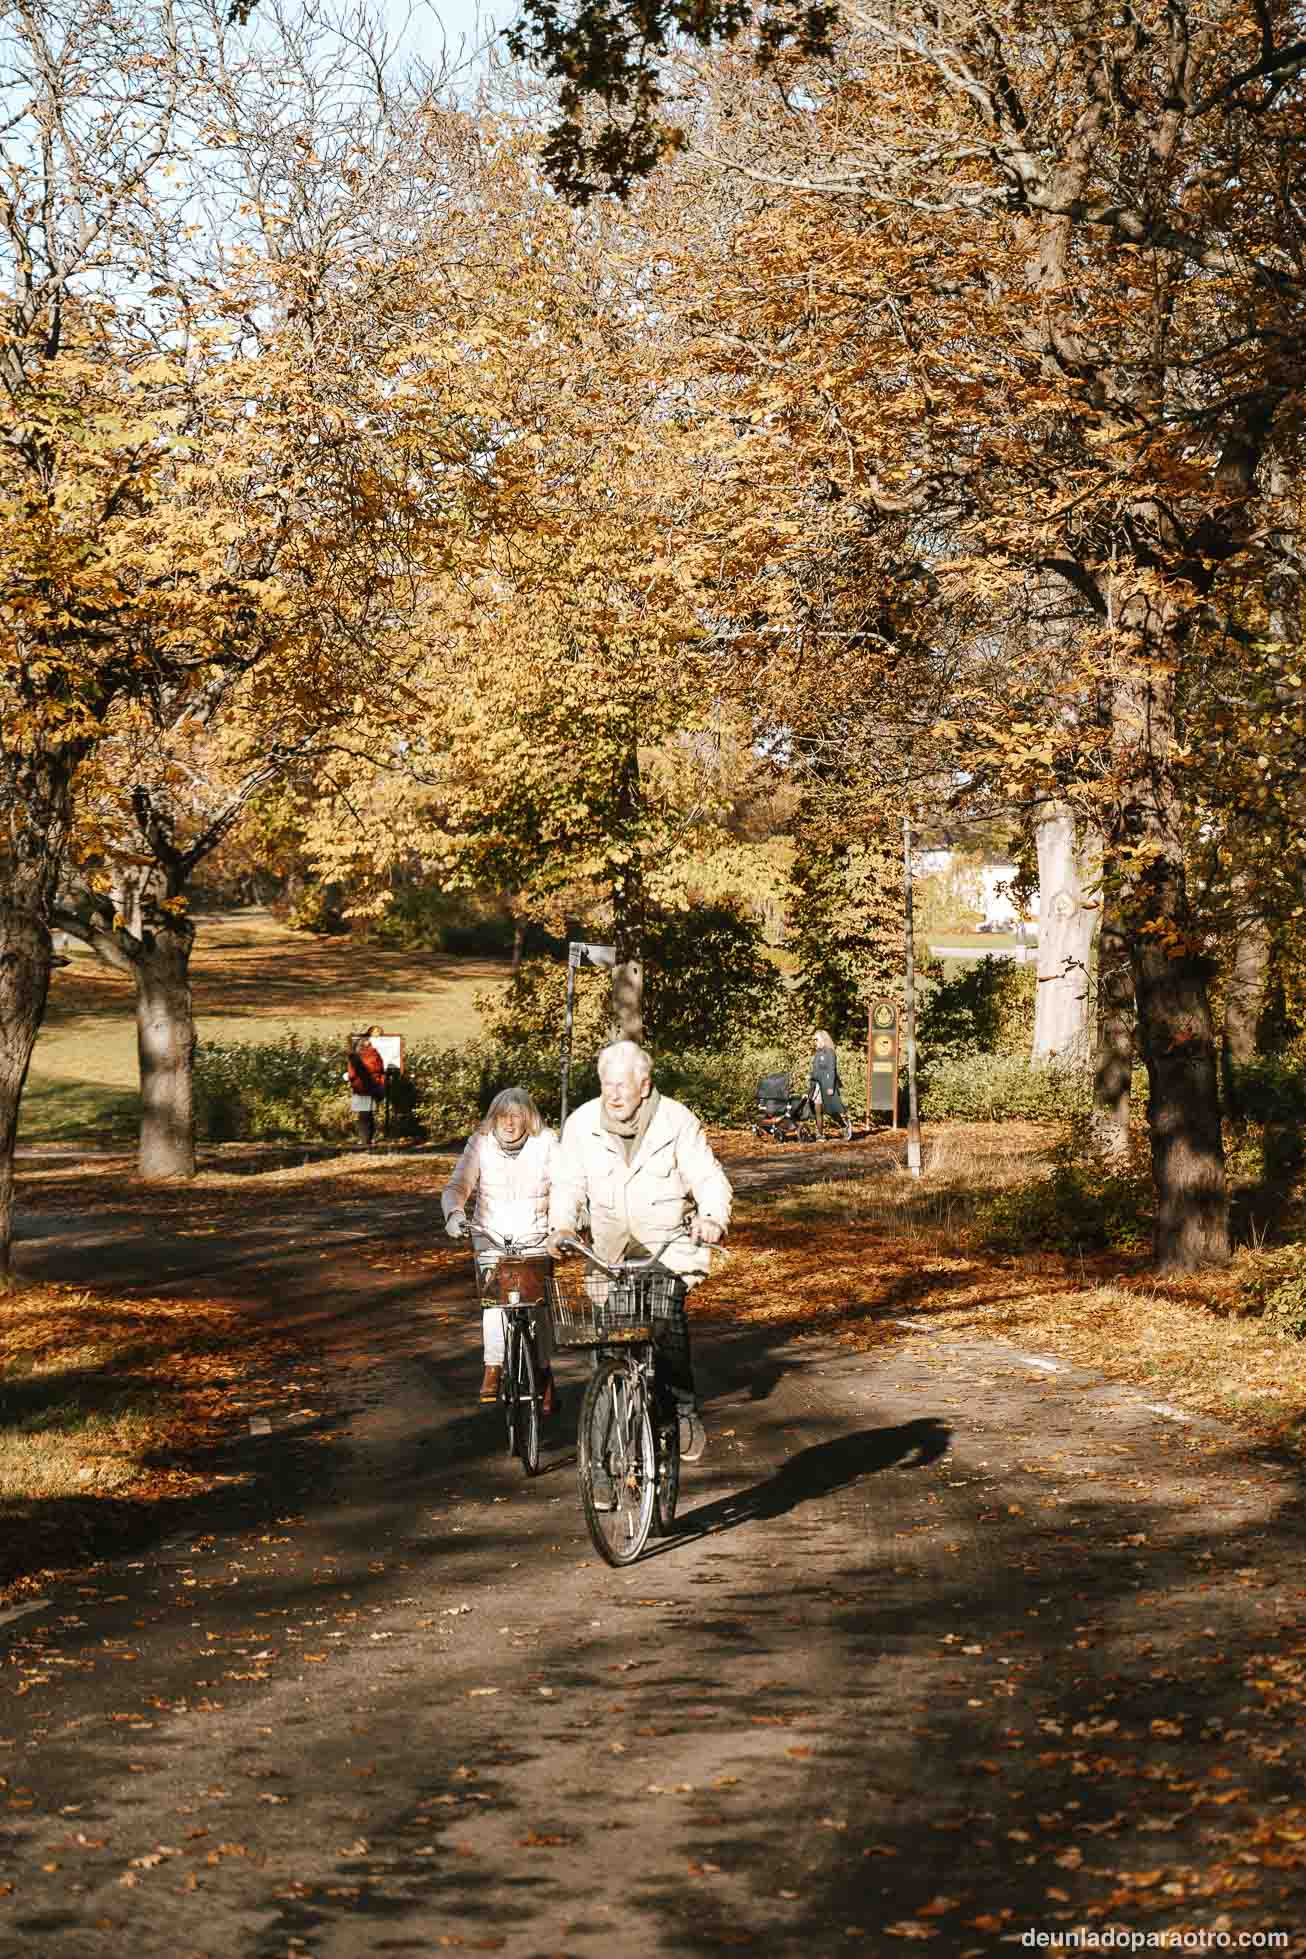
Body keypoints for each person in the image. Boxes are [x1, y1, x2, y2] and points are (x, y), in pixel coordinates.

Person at [547, 1039, 731, 1463]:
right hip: (608, 1255)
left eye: (621, 1086)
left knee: (666, 1322)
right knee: (608, 1351)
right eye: (605, 1085)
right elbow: (568, 1183)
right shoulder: (581, 1125)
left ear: (644, 1086)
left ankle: (683, 1408)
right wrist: (561, 1225)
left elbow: (707, 1176)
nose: (612, 1094)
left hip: (666, 1246)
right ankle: (603, 1460)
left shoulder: (676, 1121)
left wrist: (712, 1218)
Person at [442, 1087, 559, 1411]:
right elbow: (457, 1186)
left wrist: (567, 1221)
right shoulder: (480, 1142)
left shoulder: (547, 1142)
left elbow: (566, 1183)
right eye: (502, 1116)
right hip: (491, 1236)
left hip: (535, 1237)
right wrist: (454, 1213)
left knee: (537, 1308)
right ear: (492, 1119)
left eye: (516, 1115)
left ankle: (543, 1371)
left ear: (529, 1117)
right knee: (494, 1303)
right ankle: (493, 1367)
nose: (509, 1123)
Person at [346, 1026, 387, 1148]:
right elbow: (379, 1068)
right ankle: (367, 1139)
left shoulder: (359, 1055)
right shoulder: (374, 1054)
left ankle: (365, 1141)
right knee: (367, 1114)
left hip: (361, 1087)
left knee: (363, 1115)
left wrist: (350, 1077)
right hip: (371, 1086)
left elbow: (353, 1071)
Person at [810, 1030, 854, 1142]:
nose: (815, 1042)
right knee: (817, 1109)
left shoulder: (830, 1052)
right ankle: (820, 1135)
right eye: (814, 1040)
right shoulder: (817, 1053)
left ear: (823, 1039)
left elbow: (831, 1070)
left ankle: (844, 1125)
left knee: (831, 1110)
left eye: (817, 1039)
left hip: (827, 1084)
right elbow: (815, 1070)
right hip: (817, 1085)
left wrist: (830, 1086)